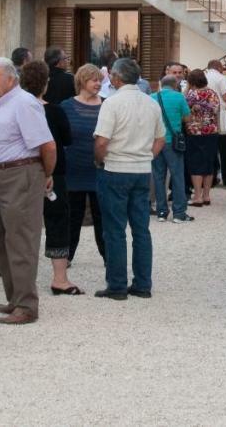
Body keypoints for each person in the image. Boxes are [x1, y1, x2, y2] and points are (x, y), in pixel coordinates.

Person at [0, 57, 55, 325]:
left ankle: (27, 305)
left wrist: (45, 175)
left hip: (21, 174)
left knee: (21, 240)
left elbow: (47, 146)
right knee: (3, 240)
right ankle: (15, 298)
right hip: (0, 175)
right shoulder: (2, 105)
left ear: (11, 78)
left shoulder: (24, 103)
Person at [93, 58, 165, 300]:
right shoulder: (151, 103)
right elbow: (160, 139)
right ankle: (143, 283)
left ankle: (117, 284)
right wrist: (147, 157)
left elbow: (102, 141)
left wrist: (100, 160)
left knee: (114, 230)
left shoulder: (112, 103)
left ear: (116, 77)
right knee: (141, 229)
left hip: (115, 168)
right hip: (141, 169)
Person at [21, 61, 79, 296]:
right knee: (57, 222)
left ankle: (23, 280)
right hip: (53, 173)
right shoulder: (54, 111)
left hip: (23, 172)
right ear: (45, 84)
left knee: (23, 226)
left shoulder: (16, 110)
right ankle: (60, 278)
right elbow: (65, 140)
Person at [60, 64, 106, 263]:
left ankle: (108, 257)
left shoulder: (107, 105)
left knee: (102, 218)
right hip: (73, 170)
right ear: (82, 81)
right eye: (93, 79)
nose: (98, 83)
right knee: (72, 218)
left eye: (99, 79)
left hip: (100, 170)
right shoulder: (66, 106)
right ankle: (67, 257)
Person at [151, 74, 192, 223]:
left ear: (161, 84)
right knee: (177, 176)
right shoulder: (179, 97)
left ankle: (161, 212)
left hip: (155, 141)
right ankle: (179, 213)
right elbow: (187, 118)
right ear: (175, 84)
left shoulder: (151, 97)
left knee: (158, 176)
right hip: (172, 141)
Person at [183, 69, 220, 207]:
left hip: (195, 131)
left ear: (191, 81)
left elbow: (184, 108)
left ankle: (197, 196)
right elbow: (217, 112)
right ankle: (206, 195)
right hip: (211, 131)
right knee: (209, 163)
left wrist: (187, 88)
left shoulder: (191, 95)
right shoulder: (212, 94)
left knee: (195, 163)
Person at [205, 59, 226, 188]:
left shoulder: (204, 77)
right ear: (218, 67)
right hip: (221, 116)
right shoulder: (221, 79)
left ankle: (211, 178)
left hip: (206, 117)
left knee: (210, 150)